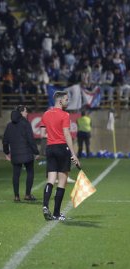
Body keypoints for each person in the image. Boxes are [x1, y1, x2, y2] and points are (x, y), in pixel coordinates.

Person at [40, 91, 80, 221]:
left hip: (50, 148)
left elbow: (42, 133)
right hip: (62, 148)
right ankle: (56, 213)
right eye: (66, 100)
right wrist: (73, 154)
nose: (68, 102)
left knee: (51, 179)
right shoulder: (65, 115)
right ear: (60, 101)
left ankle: (45, 206)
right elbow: (67, 134)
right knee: (62, 181)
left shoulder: (45, 114)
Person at [3, 105, 39, 202]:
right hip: (27, 153)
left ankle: (16, 196)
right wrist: (36, 152)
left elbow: (5, 141)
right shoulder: (26, 124)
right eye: (26, 111)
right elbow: (30, 139)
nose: (27, 113)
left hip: (15, 154)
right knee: (30, 172)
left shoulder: (9, 125)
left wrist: (6, 153)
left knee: (16, 174)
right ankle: (27, 195)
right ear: (21, 112)